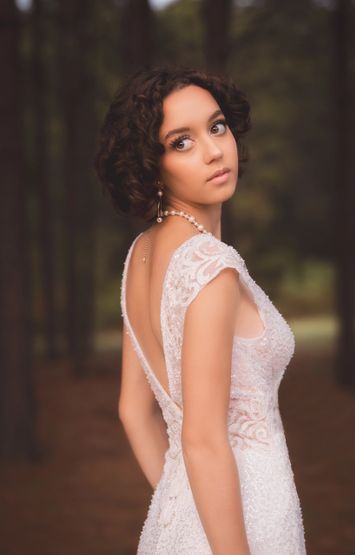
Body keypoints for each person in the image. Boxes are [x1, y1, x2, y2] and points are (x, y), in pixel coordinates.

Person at [94, 65, 306, 555]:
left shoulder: (141, 255)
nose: (214, 150)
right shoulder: (211, 266)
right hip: (246, 525)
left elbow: (133, 411)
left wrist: (183, 508)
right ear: (151, 163)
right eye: (181, 142)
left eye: (216, 127)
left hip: (186, 522)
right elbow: (205, 440)